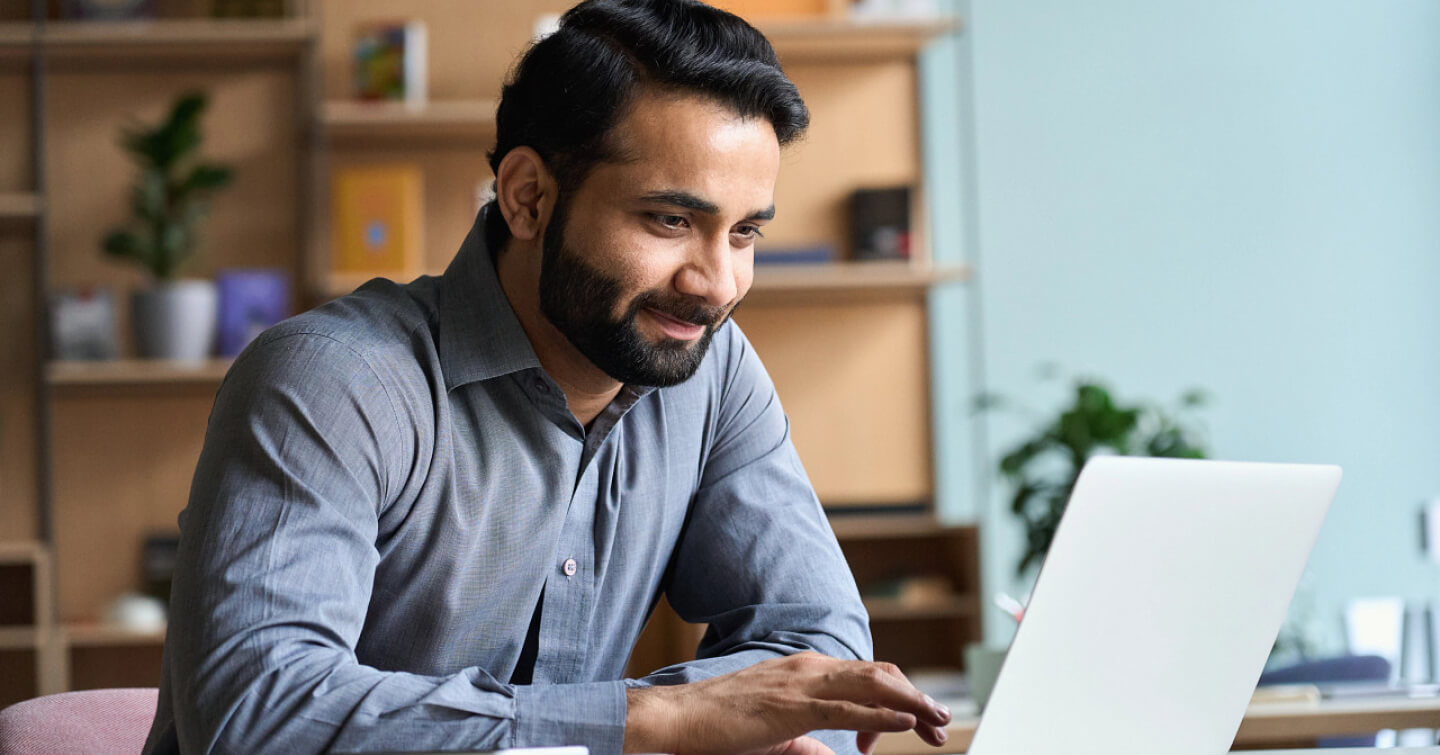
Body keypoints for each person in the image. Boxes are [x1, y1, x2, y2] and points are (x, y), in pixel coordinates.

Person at [143, 1, 952, 753]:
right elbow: (257, 712)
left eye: (744, 233)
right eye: (671, 220)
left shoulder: (712, 371)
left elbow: (821, 647)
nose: (716, 283)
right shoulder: (333, 381)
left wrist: (725, 724)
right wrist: (653, 721)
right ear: (528, 197)